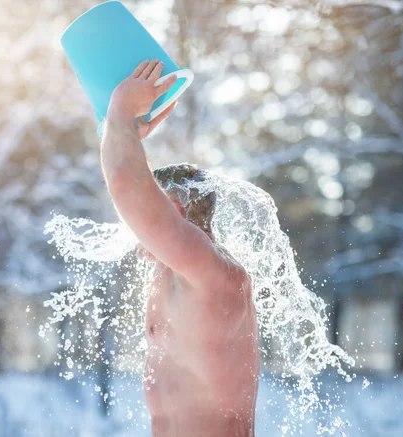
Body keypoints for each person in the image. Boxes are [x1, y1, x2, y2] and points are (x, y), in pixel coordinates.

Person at [100, 59, 260, 436]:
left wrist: (121, 112)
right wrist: (123, 133)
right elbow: (126, 179)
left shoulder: (211, 273)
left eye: (145, 221)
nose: (135, 230)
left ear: (175, 211)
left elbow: (125, 182)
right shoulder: (176, 273)